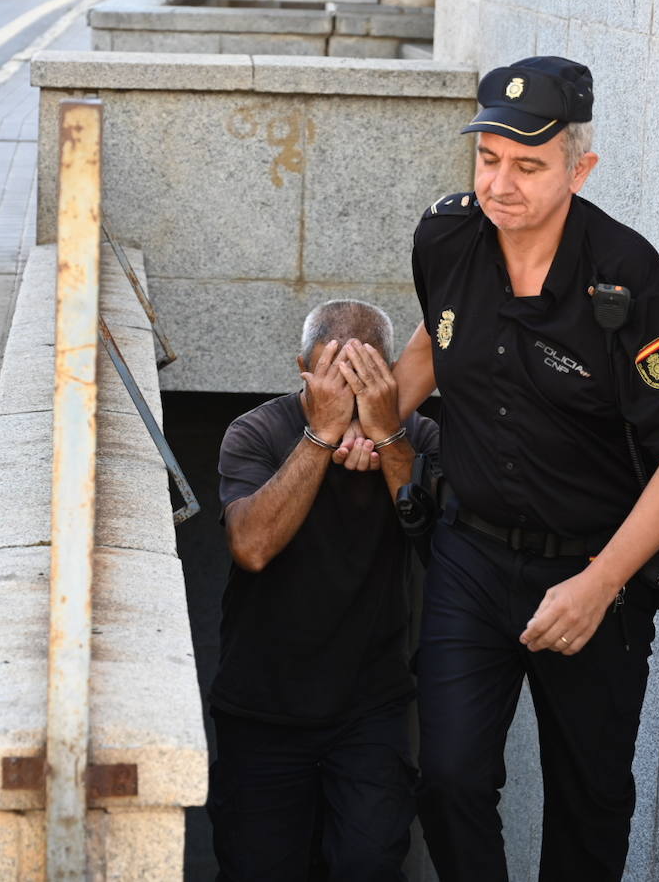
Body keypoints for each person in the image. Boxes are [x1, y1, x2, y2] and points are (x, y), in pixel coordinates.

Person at [391, 56, 659, 880]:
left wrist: (603, 581)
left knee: (590, 799)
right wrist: (376, 416)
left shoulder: (628, 278)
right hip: (470, 555)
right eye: (488, 157)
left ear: (581, 168)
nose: (501, 184)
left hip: (591, 569)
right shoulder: (445, 234)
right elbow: (438, 337)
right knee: (449, 776)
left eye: (528, 165)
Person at [210, 299, 439, 882]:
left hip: (370, 707)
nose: (346, 391)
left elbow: (443, 549)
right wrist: (319, 436)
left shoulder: (417, 435)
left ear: (388, 377)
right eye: (332, 377)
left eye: (362, 378)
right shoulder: (257, 430)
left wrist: (388, 437)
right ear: (301, 370)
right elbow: (252, 547)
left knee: (369, 862)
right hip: (262, 704)